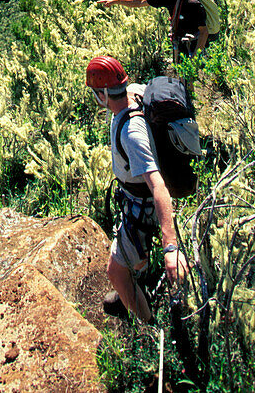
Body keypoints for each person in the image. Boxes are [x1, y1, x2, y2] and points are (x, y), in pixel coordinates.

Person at [86, 54, 189, 322]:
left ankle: (146, 324)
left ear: (104, 93)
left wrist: (170, 247)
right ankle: (138, 275)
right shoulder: (134, 93)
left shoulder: (131, 134)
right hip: (133, 195)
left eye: (96, 93)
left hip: (140, 205)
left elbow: (158, 187)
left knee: (114, 271)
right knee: (134, 251)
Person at [97, 0, 208, 61]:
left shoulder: (192, 3)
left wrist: (195, 57)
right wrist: (115, 1)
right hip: (180, 44)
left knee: (190, 78)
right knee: (182, 77)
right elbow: (140, 2)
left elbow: (204, 31)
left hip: (195, 44)